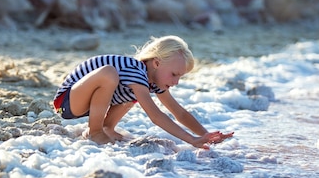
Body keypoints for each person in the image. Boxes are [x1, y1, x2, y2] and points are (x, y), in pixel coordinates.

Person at [53, 35, 233, 148]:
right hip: (67, 102)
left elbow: (178, 112)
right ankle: (95, 131)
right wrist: (190, 140)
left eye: (180, 77)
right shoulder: (135, 70)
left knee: (135, 93)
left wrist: (204, 135)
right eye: (173, 75)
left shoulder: (150, 80)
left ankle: (106, 127)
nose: (176, 82)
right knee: (109, 74)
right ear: (156, 63)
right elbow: (155, 116)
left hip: (89, 104)